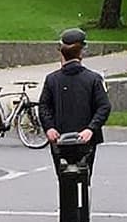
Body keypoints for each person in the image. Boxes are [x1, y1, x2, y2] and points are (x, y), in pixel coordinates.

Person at [37, 26, 111, 183]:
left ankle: (66, 206)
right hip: (86, 139)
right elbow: (104, 106)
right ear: (81, 52)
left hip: (59, 138)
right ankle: (82, 204)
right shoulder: (93, 79)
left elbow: (43, 106)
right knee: (85, 177)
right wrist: (91, 129)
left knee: (63, 178)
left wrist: (49, 127)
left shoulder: (52, 79)